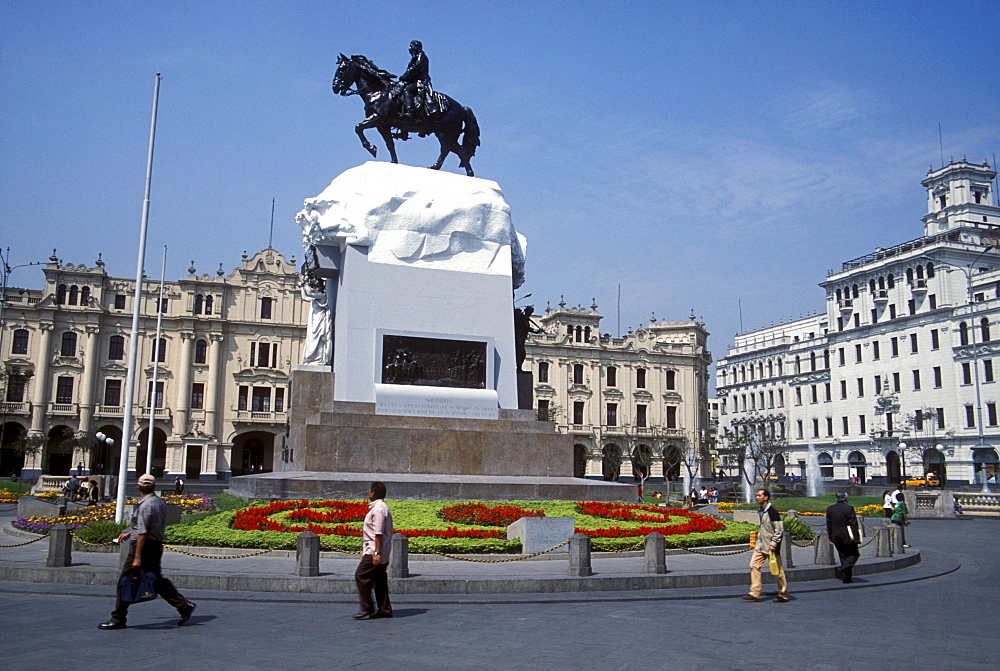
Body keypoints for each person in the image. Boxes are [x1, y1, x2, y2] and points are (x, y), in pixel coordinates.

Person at [99, 474, 196, 630]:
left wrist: (137, 557)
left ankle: (118, 618)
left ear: (138, 487)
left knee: (124, 581)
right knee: (156, 580)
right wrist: (130, 533)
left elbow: (143, 533)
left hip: (143, 547)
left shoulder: (145, 506)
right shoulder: (158, 502)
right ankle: (183, 605)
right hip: (156, 544)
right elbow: (148, 526)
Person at [354, 481, 393, 620]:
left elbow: (378, 533)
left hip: (374, 551)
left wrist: (377, 553)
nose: (368, 493)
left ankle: (367, 607)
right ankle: (385, 609)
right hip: (380, 550)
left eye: (369, 491)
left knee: (361, 575)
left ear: (373, 493)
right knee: (379, 579)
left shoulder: (378, 509)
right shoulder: (381, 507)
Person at [742, 488, 789, 603]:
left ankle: (783, 594)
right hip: (761, 545)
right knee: (754, 565)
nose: (757, 497)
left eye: (759, 495)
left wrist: (773, 544)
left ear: (766, 497)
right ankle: (755, 592)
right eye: (756, 495)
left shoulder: (772, 511)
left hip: (771, 546)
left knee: (777, 570)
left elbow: (779, 529)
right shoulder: (761, 510)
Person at [826, 492, 861, 583]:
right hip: (847, 536)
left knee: (843, 555)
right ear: (845, 498)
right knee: (854, 554)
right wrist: (856, 537)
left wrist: (830, 537)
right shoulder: (849, 508)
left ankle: (847, 578)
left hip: (836, 536)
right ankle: (845, 568)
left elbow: (829, 524)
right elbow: (853, 524)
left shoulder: (830, 509)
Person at [399, 40, 431, 118]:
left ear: (415, 47)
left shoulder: (422, 57)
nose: (409, 49)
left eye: (411, 46)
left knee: (407, 89)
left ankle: (410, 111)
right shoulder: (415, 58)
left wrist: (404, 77)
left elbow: (415, 69)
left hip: (421, 82)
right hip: (414, 81)